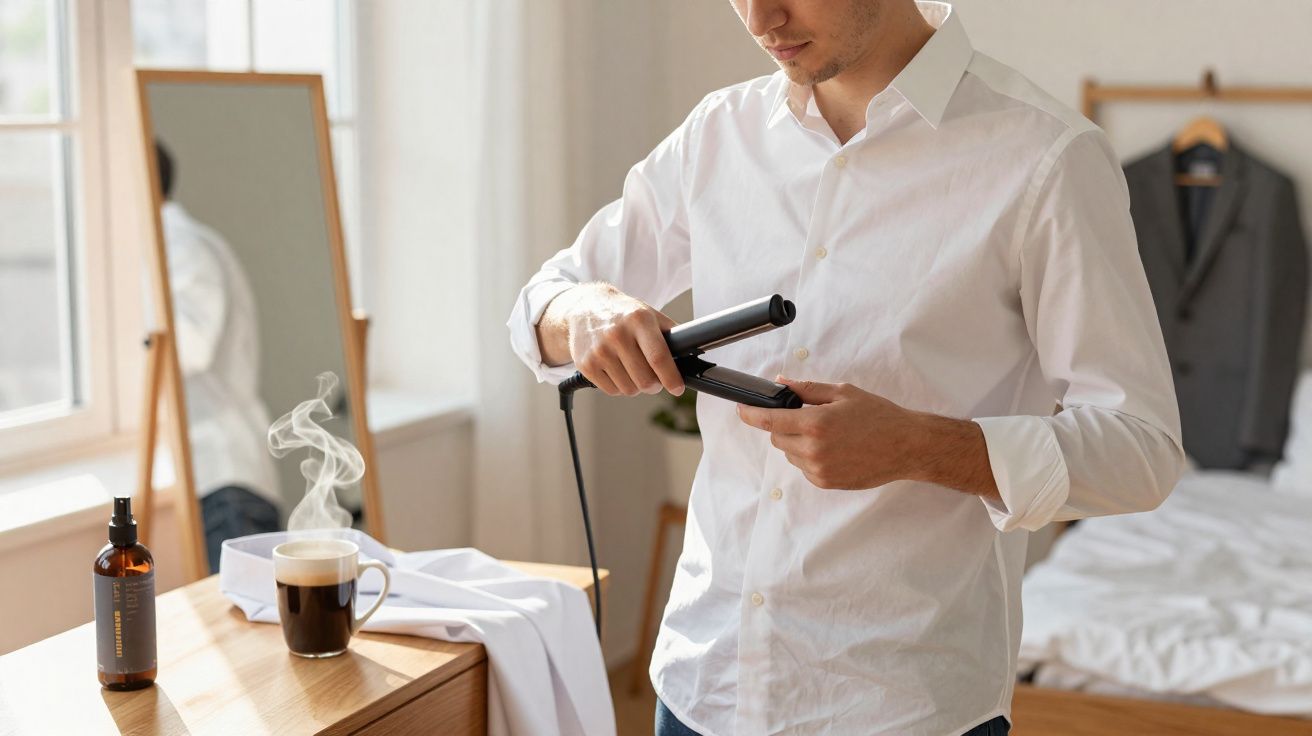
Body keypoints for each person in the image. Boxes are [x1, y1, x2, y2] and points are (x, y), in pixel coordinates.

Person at [509, 1, 1186, 734]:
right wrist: (584, 313)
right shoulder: (718, 135)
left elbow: (1141, 448)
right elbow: (543, 303)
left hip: (900, 707)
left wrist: (922, 447)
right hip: (703, 687)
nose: (761, 17)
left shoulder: (1044, 157)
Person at [155, 141, 282, 573]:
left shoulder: (182, 247)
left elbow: (188, 348)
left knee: (245, 633)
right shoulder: (177, 245)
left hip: (226, 478)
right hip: (218, 478)